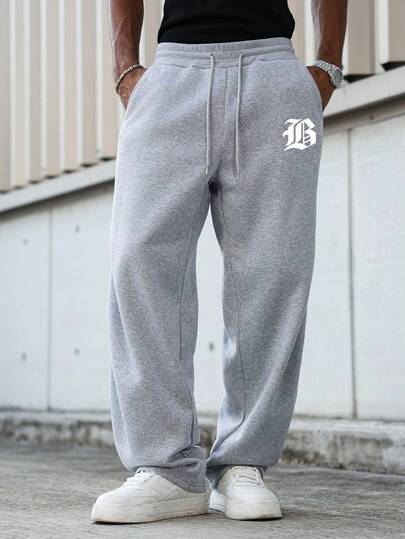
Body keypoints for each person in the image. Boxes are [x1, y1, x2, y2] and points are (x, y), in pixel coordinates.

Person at [92, 0, 347, 524]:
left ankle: (244, 463)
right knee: (138, 262)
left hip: (279, 88)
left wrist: (327, 66)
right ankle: (166, 469)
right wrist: (124, 68)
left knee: (276, 266)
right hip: (171, 77)